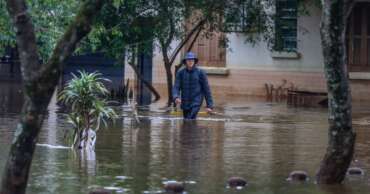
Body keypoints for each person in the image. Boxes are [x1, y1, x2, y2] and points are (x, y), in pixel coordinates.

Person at [173, 52, 214, 119]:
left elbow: (207, 90)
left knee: (190, 118)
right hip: (185, 101)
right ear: (185, 61)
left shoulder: (201, 73)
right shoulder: (180, 73)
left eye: (192, 60)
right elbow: (176, 87)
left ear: (195, 61)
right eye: (188, 60)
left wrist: (209, 106)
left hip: (196, 101)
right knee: (186, 119)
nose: (190, 62)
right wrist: (176, 97)